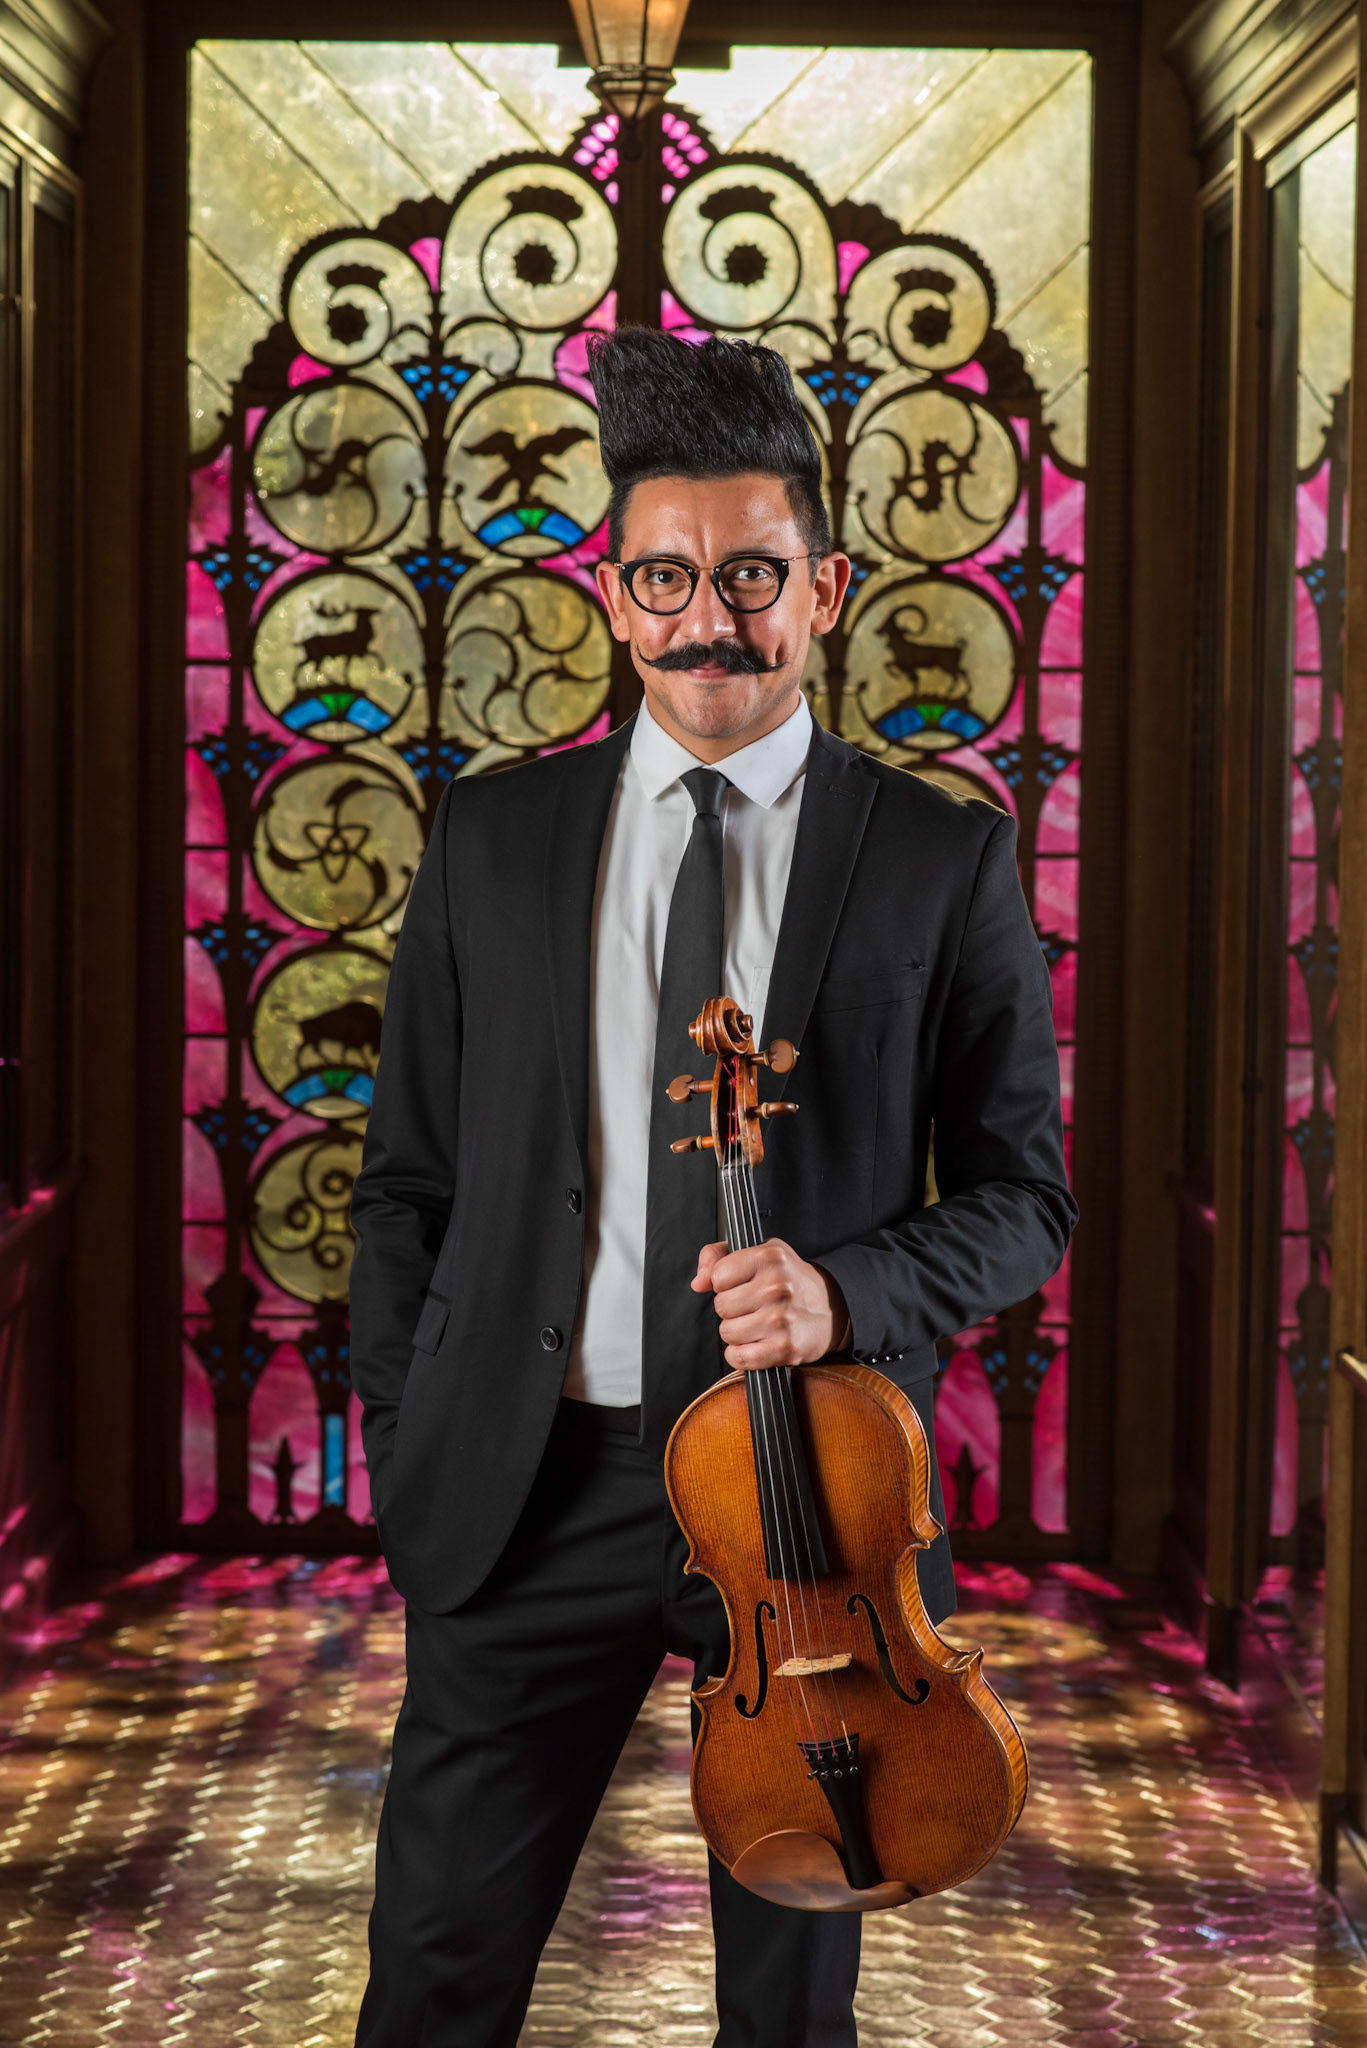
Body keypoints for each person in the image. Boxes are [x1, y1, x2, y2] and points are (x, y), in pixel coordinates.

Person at [348, 326, 1076, 2048]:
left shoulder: (937, 855)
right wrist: (411, 1413)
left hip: (809, 1503)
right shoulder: (492, 843)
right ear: (617, 600)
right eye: (668, 579)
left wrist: (843, 1292)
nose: (710, 622)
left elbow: (1025, 1195)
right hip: (533, 1484)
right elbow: (408, 1185)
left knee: (786, 2010)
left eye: (752, 576)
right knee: (437, 1980)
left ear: (821, 588)